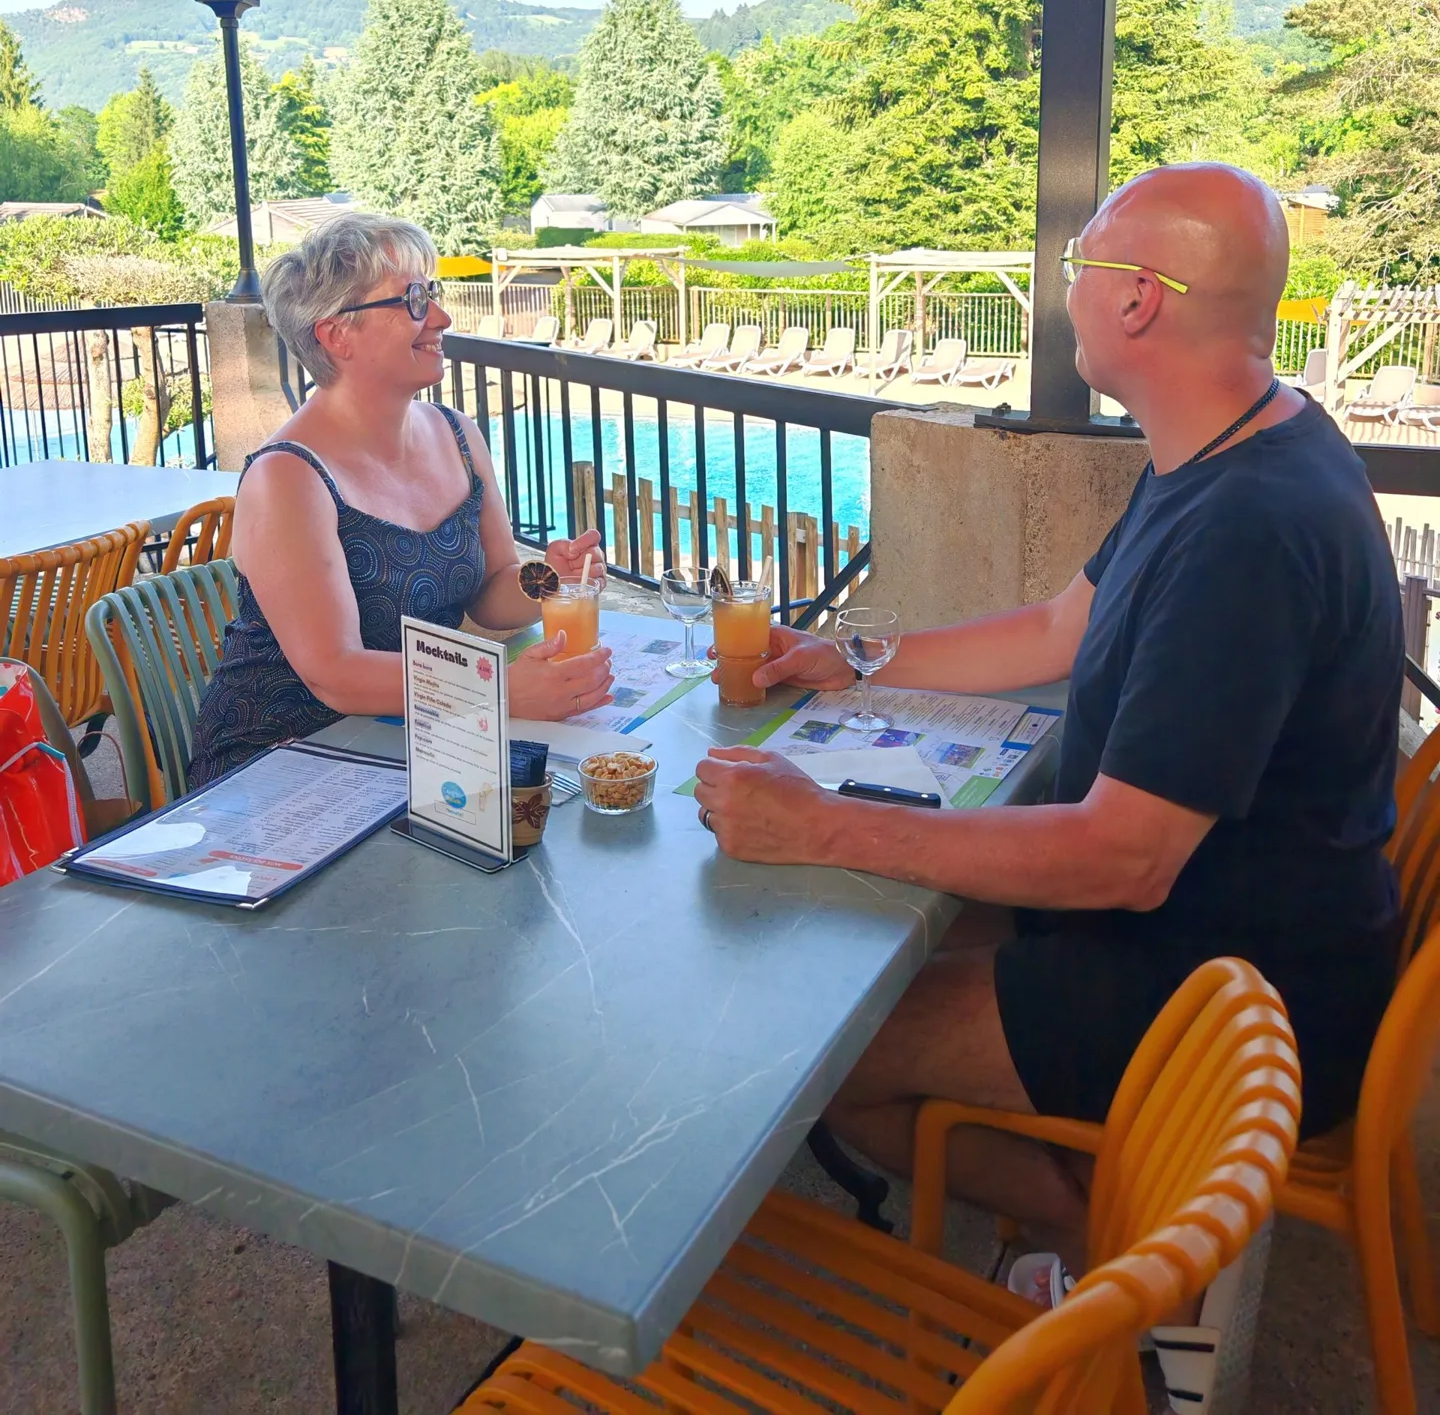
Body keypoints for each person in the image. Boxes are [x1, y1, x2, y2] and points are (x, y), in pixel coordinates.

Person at [692, 164, 1402, 1383]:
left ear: (1138, 299)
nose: (1063, 292)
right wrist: (855, 659)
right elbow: (1059, 628)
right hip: (1238, 932)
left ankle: (1101, 1254)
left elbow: (1124, 860)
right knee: (867, 945)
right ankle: (1083, 1221)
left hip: (1235, 1006)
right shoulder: (1232, 440)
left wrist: (824, 827)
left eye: (1078, 268)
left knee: (825, 1050)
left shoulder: (1248, 531)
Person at [188, 214, 613, 787]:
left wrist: (550, 580)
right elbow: (334, 673)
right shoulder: (286, 477)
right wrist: (497, 691)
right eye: (413, 300)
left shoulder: (458, 435)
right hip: (283, 759)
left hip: (416, 733)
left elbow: (490, 595)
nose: (440, 316)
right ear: (336, 334)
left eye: (431, 292)